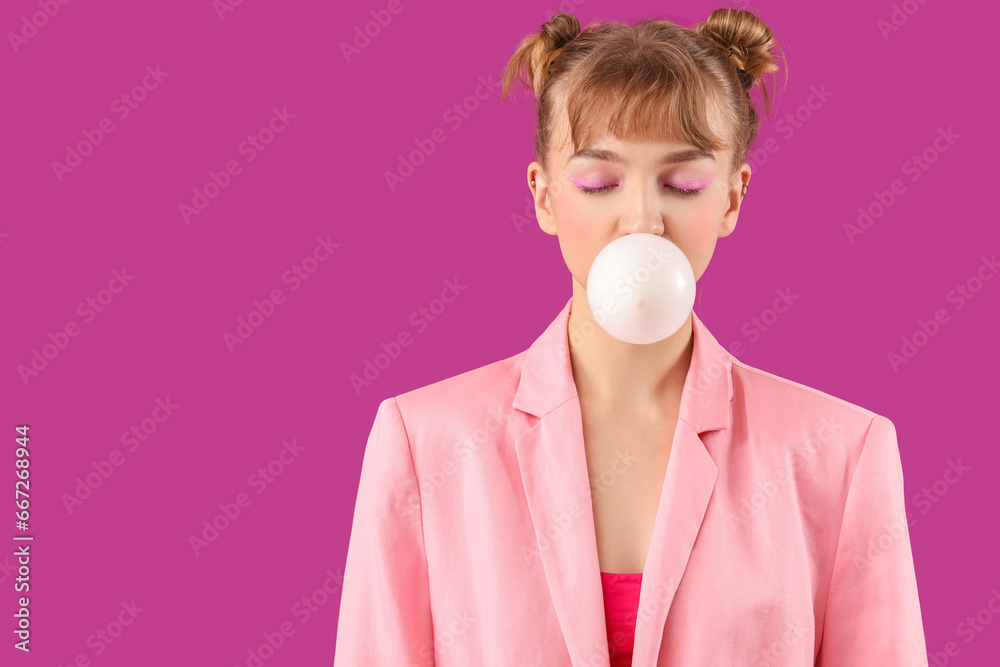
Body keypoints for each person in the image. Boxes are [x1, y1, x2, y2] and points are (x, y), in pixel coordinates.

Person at [333, 8, 927, 666]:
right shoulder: (424, 442)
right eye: (599, 182)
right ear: (544, 195)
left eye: (682, 183)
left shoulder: (841, 453)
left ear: (732, 197)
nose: (641, 218)